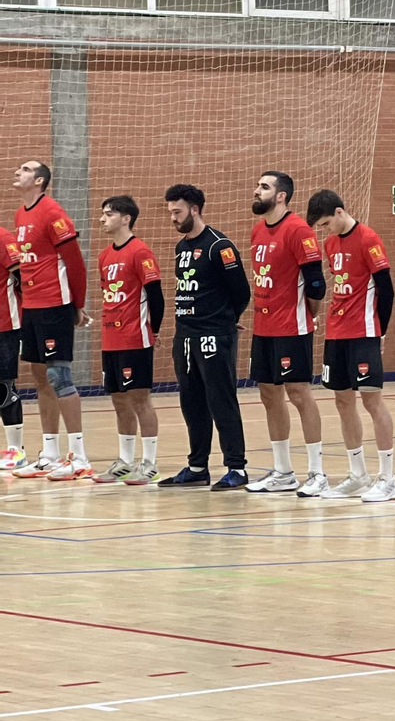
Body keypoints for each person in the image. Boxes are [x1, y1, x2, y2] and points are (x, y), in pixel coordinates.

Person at [306, 189, 395, 503]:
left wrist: (379, 331)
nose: (324, 231)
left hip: (364, 332)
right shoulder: (331, 244)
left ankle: (388, 478)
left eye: (325, 223)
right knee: (343, 402)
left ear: (340, 212)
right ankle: (357, 474)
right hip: (337, 332)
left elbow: (386, 290)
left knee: (372, 401)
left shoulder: (369, 238)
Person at [157, 184, 252, 490]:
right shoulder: (181, 246)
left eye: (178, 212)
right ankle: (198, 466)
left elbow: (241, 292)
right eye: (170, 212)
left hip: (213, 336)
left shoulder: (218, 246)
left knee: (221, 400)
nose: (173, 218)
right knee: (191, 402)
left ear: (194, 210)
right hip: (184, 336)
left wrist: (226, 320)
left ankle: (236, 468)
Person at [245, 172, 327, 496]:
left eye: (264, 186)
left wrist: (311, 314)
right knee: (268, 393)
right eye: (258, 185)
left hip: (292, 325)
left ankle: (317, 472)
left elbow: (316, 283)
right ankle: (282, 471)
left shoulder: (298, 230)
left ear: (281, 196)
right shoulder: (257, 232)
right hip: (263, 326)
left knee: (298, 392)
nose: (257, 190)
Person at [11, 160, 91, 480]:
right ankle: (50, 453)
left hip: (55, 305)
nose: (18, 172)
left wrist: (78, 305)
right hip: (31, 306)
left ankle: (79, 456)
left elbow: (76, 264)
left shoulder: (53, 213)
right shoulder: (21, 213)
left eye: (25, 169)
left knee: (60, 377)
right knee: (40, 377)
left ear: (40, 180)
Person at [93, 196, 164, 485]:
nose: (102, 219)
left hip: (135, 337)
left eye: (109, 214)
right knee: (118, 400)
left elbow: (156, 297)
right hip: (110, 338)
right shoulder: (104, 256)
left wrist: (154, 331)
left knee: (140, 399)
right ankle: (124, 461)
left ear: (126, 218)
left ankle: (149, 463)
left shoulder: (140, 252)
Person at [0, 223, 22, 469]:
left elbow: (23, 278)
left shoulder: (4, 238)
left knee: (4, 385)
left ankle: (15, 449)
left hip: (5, 322)